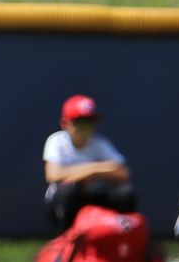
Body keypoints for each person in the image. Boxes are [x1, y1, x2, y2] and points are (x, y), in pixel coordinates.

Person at [42, 94, 135, 232]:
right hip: (63, 203)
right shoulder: (56, 141)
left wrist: (90, 172)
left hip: (94, 199)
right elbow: (53, 175)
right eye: (81, 124)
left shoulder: (100, 143)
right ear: (65, 124)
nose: (87, 129)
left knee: (125, 192)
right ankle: (67, 239)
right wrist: (96, 169)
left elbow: (123, 173)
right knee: (69, 190)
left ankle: (122, 238)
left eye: (90, 122)